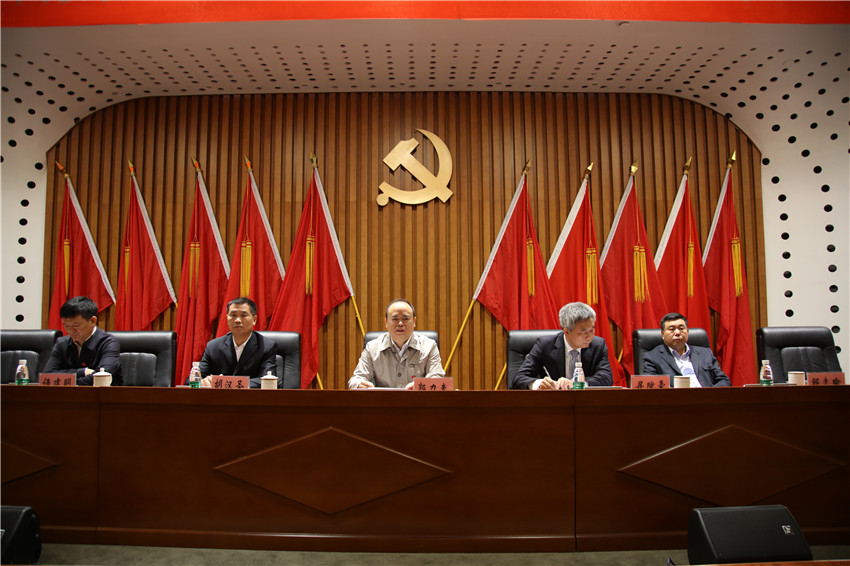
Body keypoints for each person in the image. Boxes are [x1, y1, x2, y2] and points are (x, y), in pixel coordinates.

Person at [512, 302, 613, 390]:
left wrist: (576, 384)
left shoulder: (598, 345)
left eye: (592, 330)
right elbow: (519, 378)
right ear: (567, 332)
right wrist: (539, 384)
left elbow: (606, 378)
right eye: (583, 332)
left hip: (586, 402)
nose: (589, 336)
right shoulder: (545, 345)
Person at [348, 299, 445, 389]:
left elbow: (438, 380)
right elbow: (355, 380)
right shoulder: (372, 348)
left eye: (405, 319)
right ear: (386, 322)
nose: (400, 323)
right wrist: (359, 384)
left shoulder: (429, 346)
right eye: (395, 319)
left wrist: (421, 385)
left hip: (418, 401)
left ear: (414, 322)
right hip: (383, 401)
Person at [189, 297, 278, 388]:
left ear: (254, 320)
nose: (237, 320)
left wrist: (226, 383)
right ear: (227, 318)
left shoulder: (266, 346)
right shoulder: (213, 347)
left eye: (243, 315)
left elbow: (267, 381)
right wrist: (203, 381)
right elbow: (190, 380)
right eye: (233, 315)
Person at [43, 296, 123, 386]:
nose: (70, 331)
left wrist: (66, 381)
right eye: (66, 326)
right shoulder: (62, 343)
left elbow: (101, 377)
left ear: (92, 321)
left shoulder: (108, 343)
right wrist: (83, 372)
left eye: (76, 325)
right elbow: (47, 377)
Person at [642, 312, 730, 387]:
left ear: (687, 331)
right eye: (672, 329)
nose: (677, 332)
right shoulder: (653, 357)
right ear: (662, 334)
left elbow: (723, 380)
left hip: (707, 399)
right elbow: (650, 385)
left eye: (681, 328)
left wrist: (709, 395)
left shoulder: (705, 353)